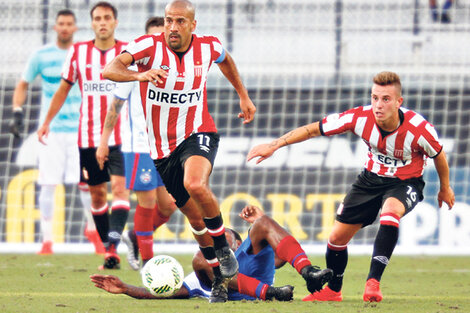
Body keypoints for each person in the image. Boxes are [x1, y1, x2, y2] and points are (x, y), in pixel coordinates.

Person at [247, 71, 455, 302]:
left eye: (385, 99)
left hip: (405, 182)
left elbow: (439, 155)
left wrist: (444, 188)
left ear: (399, 102)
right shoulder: (359, 118)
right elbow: (313, 129)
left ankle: (373, 282)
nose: (378, 105)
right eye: (374, 97)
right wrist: (274, 145)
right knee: (336, 239)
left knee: (389, 214)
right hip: (369, 180)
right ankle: (334, 290)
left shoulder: (419, 129)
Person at [102, 0, 256, 302]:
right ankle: (218, 281)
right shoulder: (148, 46)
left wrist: (243, 95)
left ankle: (224, 251)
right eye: (168, 20)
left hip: (198, 131)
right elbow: (110, 69)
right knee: (196, 221)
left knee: (195, 183)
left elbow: (226, 60)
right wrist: (139, 75)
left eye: (180, 21)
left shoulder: (207, 46)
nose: (172, 27)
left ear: (192, 25)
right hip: (162, 149)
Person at [37, 1, 130, 269]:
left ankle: (112, 246)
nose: (102, 22)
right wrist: (46, 122)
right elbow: (63, 89)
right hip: (88, 137)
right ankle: (109, 249)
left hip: (121, 136)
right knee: (98, 196)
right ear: (91, 24)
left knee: (120, 189)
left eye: (107, 18)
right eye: (97, 18)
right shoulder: (78, 52)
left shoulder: (126, 52)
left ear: (115, 22)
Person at [90, 205, 333, 301]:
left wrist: (259, 223)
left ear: (238, 245)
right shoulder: (199, 271)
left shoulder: (249, 252)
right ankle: (272, 293)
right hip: (261, 290)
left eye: (226, 239)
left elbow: (281, 254)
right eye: (218, 239)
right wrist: (125, 289)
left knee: (264, 222)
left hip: (256, 277)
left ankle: (309, 272)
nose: (220, 242)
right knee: (202, 259)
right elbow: (166, 292)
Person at [10, 9, 103, 255]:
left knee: (87, 183)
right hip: (50, 131)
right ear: (55, 27)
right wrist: (17, 111)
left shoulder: (84, 55)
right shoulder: (41, 56)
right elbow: (23, 84)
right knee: (48, 184)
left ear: (75, 28)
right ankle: (47, 240)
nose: (64, 27)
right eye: (60, 23)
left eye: (68, 24)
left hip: (81, 129)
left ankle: (93, 230)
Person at [96, 16, 177, 271]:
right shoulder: (134, 72)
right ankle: (149, 262)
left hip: (166, 146)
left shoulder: (174, 68)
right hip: (140, 146)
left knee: (169, 206)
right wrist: (103, 143)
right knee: (147, 202)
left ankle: (134, 237)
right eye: (152, 36)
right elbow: (114, 108)